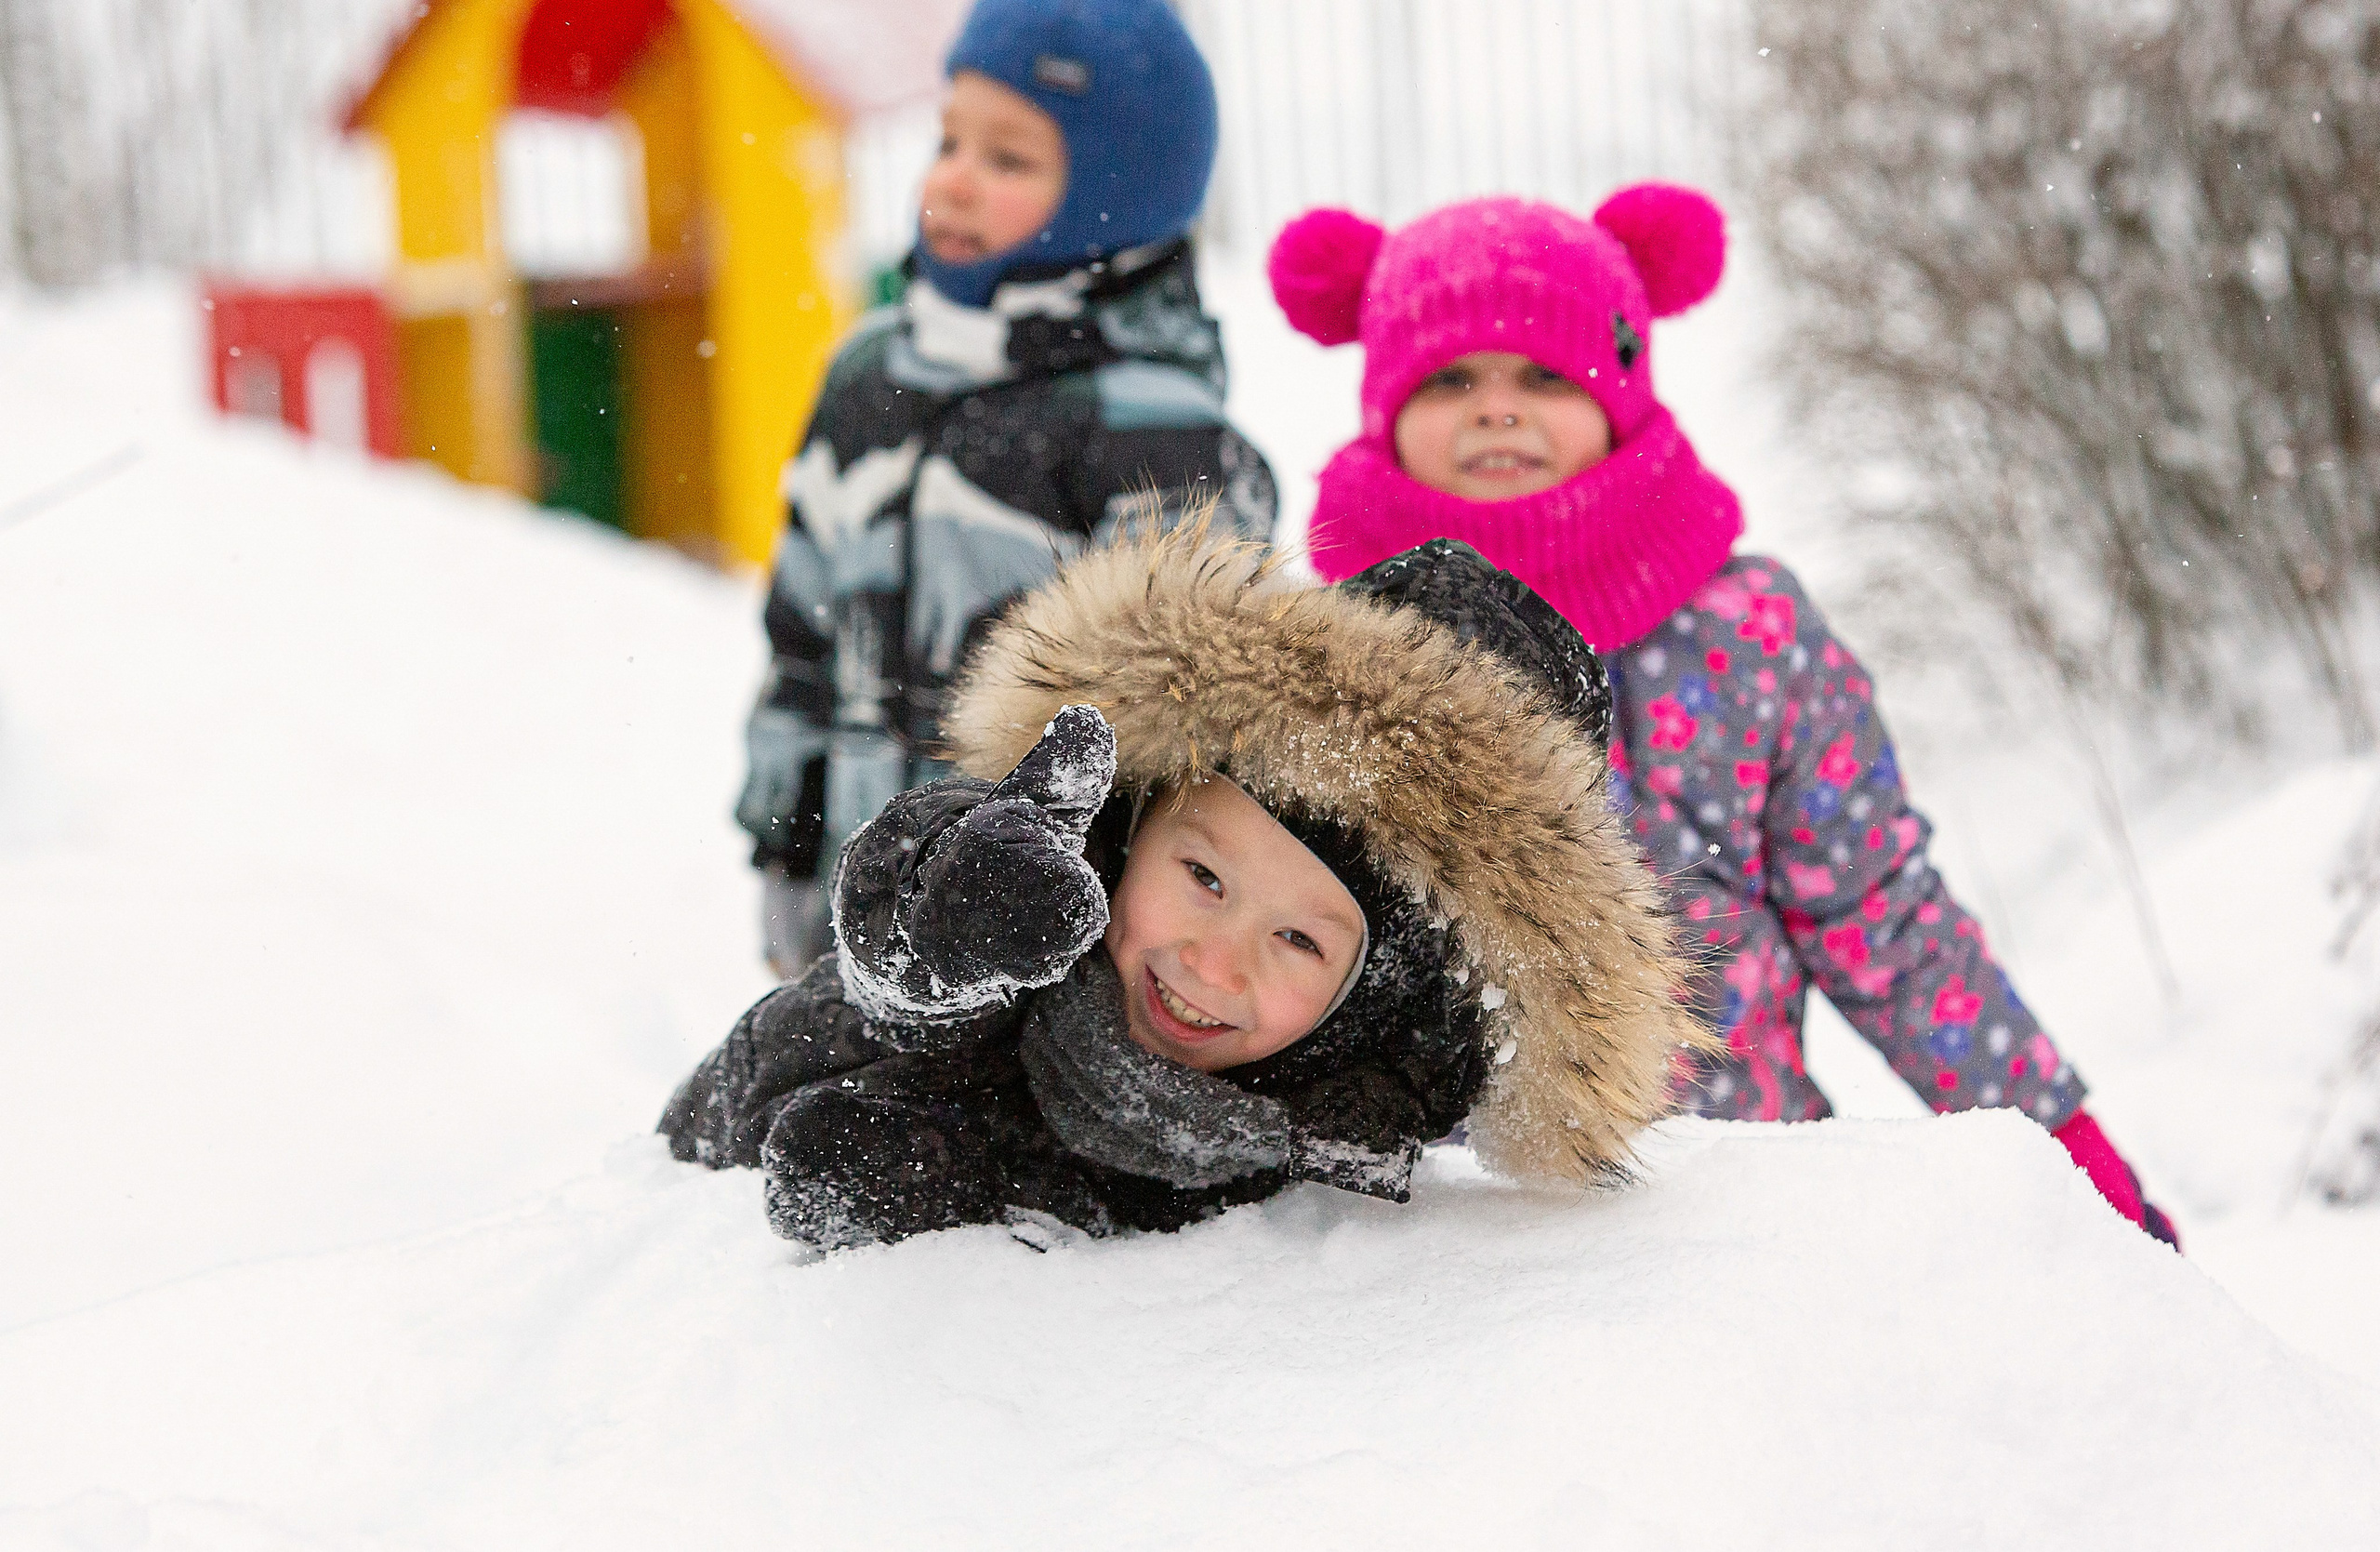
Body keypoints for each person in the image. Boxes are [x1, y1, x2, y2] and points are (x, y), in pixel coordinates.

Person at [1268, 188, 2181, 1244]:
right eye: (1452, 378)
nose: (1496, 407)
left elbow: (1881, 915)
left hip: (1733, 1213)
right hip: (1444, 1233)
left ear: (1619, 387)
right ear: (1386, 404)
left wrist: (2065, 1144)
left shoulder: (1746, 633)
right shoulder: (1325, 652)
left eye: (1544, 374)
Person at [663, 527, 1704, 1252]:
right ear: (1138, 813)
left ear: (1387, 994)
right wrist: (936, 938)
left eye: (1300, 941)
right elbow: (879, 989)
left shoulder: (1347, 1139)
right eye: (1203, 875)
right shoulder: (1034, 909)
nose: (1213, 959)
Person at [734, 0, 1277, 977]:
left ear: (1112, 196)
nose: (953, 178)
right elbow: (804, 622)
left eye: (1009, 159)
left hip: (1037, 927)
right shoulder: (870, 377)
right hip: (854, 889)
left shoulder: (1150, 428)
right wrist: (786, 824)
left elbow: (1190, 720)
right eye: (949, 140)